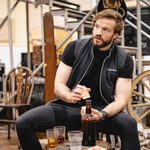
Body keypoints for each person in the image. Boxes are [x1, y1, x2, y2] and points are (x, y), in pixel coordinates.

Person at [16, 9, 140, 150]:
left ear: (115, 35)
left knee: (129, 124)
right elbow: (59, 84)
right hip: (67, 108)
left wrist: (102, 114)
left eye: (106, 29)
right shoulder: (74, 47)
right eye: (97, 26)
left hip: (100, 110)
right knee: (23, 123)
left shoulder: (124, 59)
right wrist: (69, 96)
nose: (98, 32)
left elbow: (121, 100)